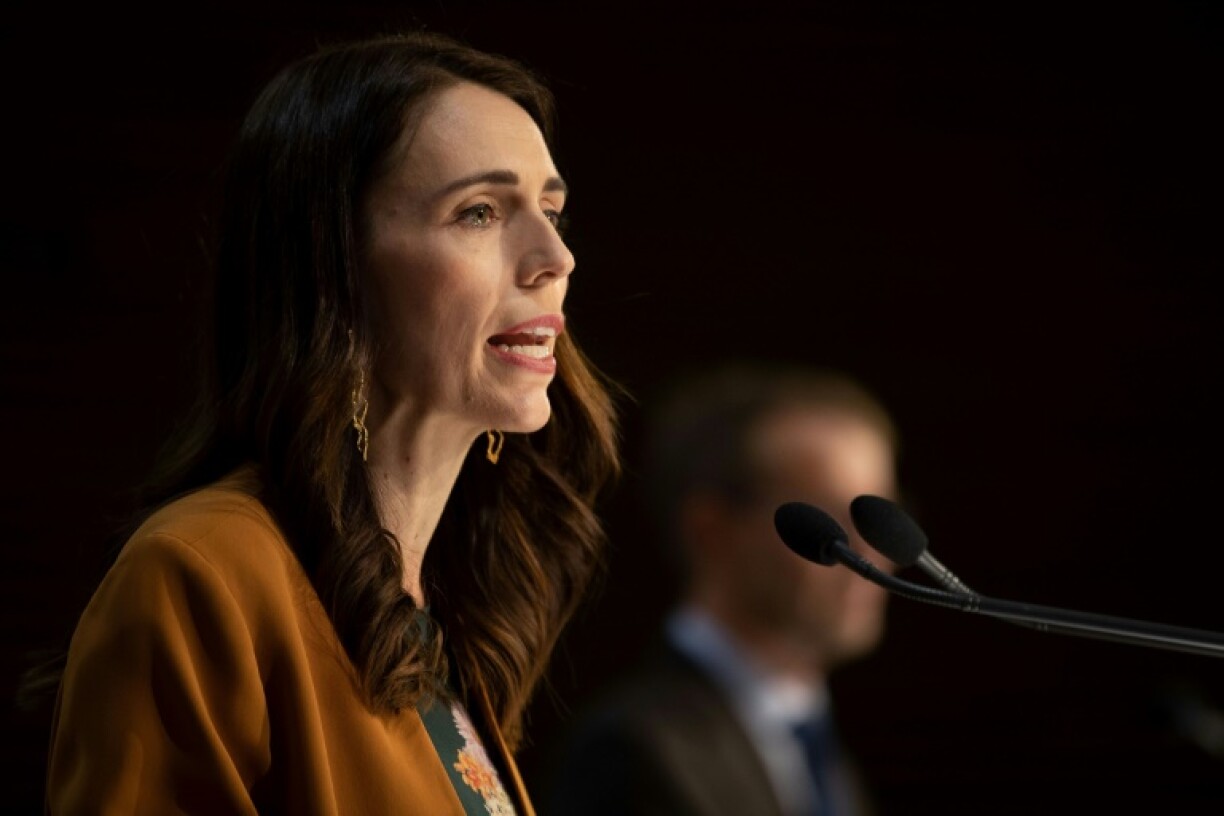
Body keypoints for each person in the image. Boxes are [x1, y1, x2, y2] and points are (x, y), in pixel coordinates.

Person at [41, 30, 620, 814]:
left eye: (552, 211)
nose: (555, 257)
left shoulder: (439, 614)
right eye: (480, 212)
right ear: (333, 268)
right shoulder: (201, 573)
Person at [542, 360, 899, 816]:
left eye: (879, 519)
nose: (870, 555)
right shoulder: (633, 750)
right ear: (711, 531)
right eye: (830, 522)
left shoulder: (821, 751)